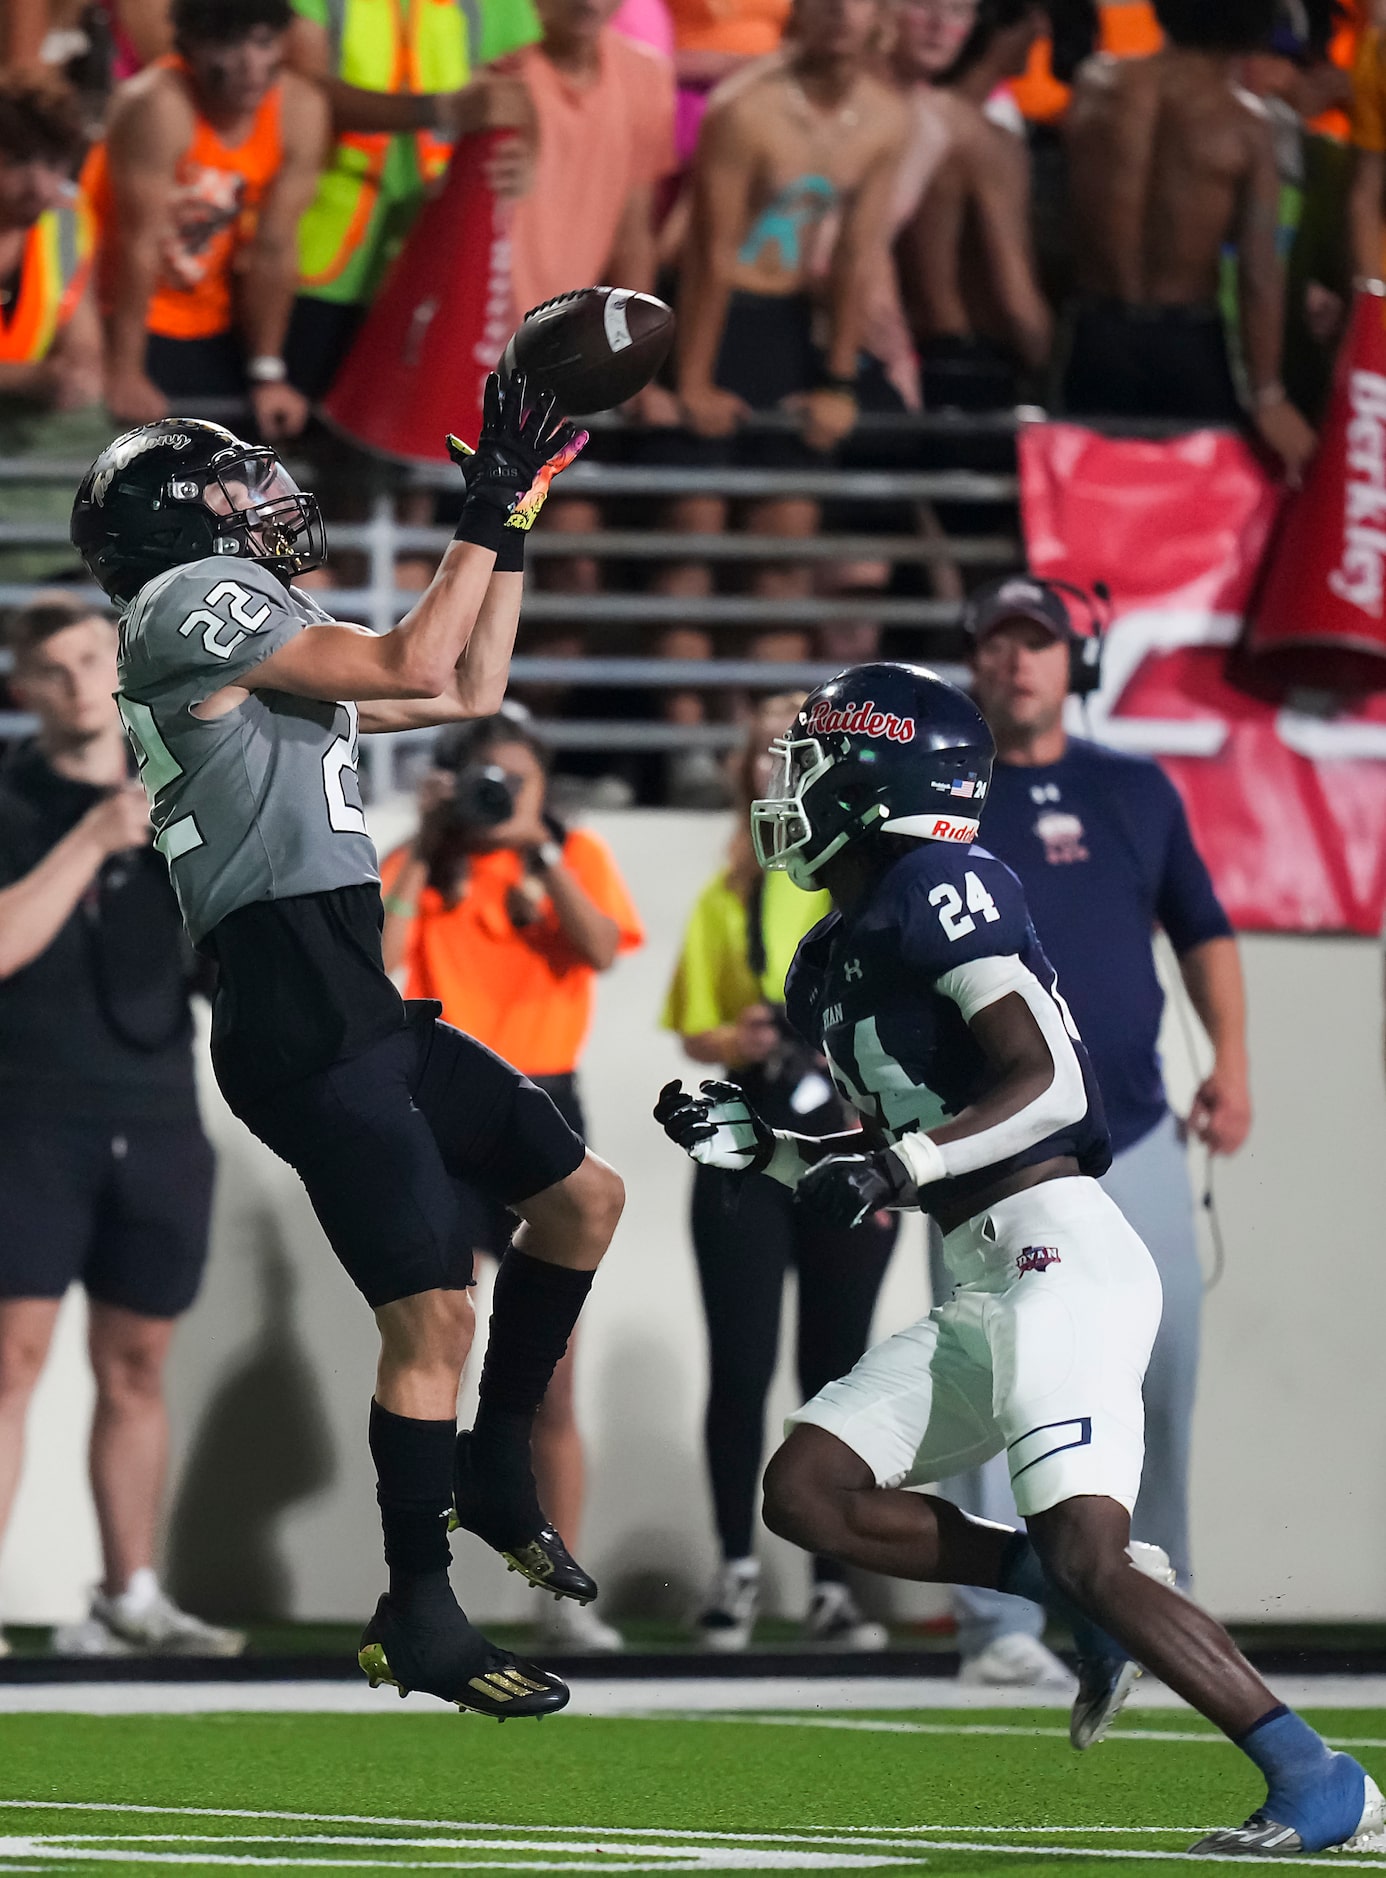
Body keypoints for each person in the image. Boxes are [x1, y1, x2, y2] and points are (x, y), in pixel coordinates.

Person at [656, 661, 1384, 1858]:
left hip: (1061, 1249)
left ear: (874, 773)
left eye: (813, 756)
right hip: (985, 1272)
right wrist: (771, 1151)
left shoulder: (942, 881)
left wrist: (896, 1171)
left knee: (1095, 1551)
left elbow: (1048, 1082)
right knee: (806, 1494)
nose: (789, 781)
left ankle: (1320, 1780)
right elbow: (893, 1144)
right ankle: (1063, 1591)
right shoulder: (828, 953)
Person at [69, 379, 618, 1719]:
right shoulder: (180, 603)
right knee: (431, 1313)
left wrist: (519, 523)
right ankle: (416, 1609)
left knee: (580, 1199)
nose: (260, 497)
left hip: (351, 1001)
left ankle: (494, 1469)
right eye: (227, 484)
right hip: (295, 1010)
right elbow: (419, 665)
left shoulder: (246, 624)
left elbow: (471, 680)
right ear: (169, 519)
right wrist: (482, 500)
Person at [930, 574, 1250, 1685]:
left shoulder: (1134, 791)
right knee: (988, 1373)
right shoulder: (945, 797)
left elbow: (1202, 931)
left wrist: (1235, 1068)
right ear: (972, 660)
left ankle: (1149, 1604)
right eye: (999, 643)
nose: (1018, 662)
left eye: (1039, 644)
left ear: (1079, 663)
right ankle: (1000, 1628)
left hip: (1141, 1130)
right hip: (999, 1148)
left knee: (1160, 1367)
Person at [0, 593, 238, 1661]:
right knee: (12, 1360)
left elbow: (221, 958)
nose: (83, 679)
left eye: (98, 656)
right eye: (57, 667)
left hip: (160, 1111)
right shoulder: (11, 801)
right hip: (29, 1114)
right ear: (27, 690)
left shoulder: (178, 798)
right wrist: (96, 838)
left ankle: (129, 1593)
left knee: (138, 1364)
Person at [379, 705, 644, 1654]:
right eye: (484, 780)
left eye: (514, 783)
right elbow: (376, 963)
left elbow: (603, 948)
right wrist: (431, 833)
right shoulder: (427, 860)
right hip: (444, 1101)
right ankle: (422, 1579)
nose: (498, 797)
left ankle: (559, 1600)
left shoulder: (569, 855)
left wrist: (535, 846)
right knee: (436, 1338)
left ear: (542, 787)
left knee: (551, 1376)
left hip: (545, 1103)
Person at [661, 695, 897, 1651]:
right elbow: (695, 1025)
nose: (774, 760)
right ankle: (738, 1569)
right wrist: (748, 1032)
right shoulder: (728, 895)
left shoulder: (864, 881)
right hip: (751, 1136)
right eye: (759, 744)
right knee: (741, 1365)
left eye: (790, 743)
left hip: (847, 1132)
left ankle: (834, 1586)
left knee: (837, 1370)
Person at [1061, 0, 1318, 481]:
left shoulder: (1095, 83)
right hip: (1186, 346)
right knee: (1192, 515)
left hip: (1097, 334)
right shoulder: (1246, 124)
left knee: (1095, 504)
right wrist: (1268, 394)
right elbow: (1258, 273)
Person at [81, 0, 328, 437]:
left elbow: (274, 248)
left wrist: (267, 372)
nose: (251, 65)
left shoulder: (300, 110)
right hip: (119, 315)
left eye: (264, 43)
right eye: (228, 45)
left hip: (210, 319)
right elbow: (137, 243)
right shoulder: (156, 104)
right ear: (191, 48)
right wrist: (125, 370)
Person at [284, 0, 540, 402]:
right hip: (312, 252)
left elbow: (514, 94)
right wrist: (437, 109)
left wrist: (525, 150)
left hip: (427, 260)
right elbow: (298, 89)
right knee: (280, 439)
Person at [896, 0, 1053, 410]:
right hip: (974, 365)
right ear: (998, 32)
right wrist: (1057, 374)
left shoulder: (894, 119)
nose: (1042, 34)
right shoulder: (990, 143)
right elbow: (1016, 298)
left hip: (899, 357)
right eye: (1031, 20)